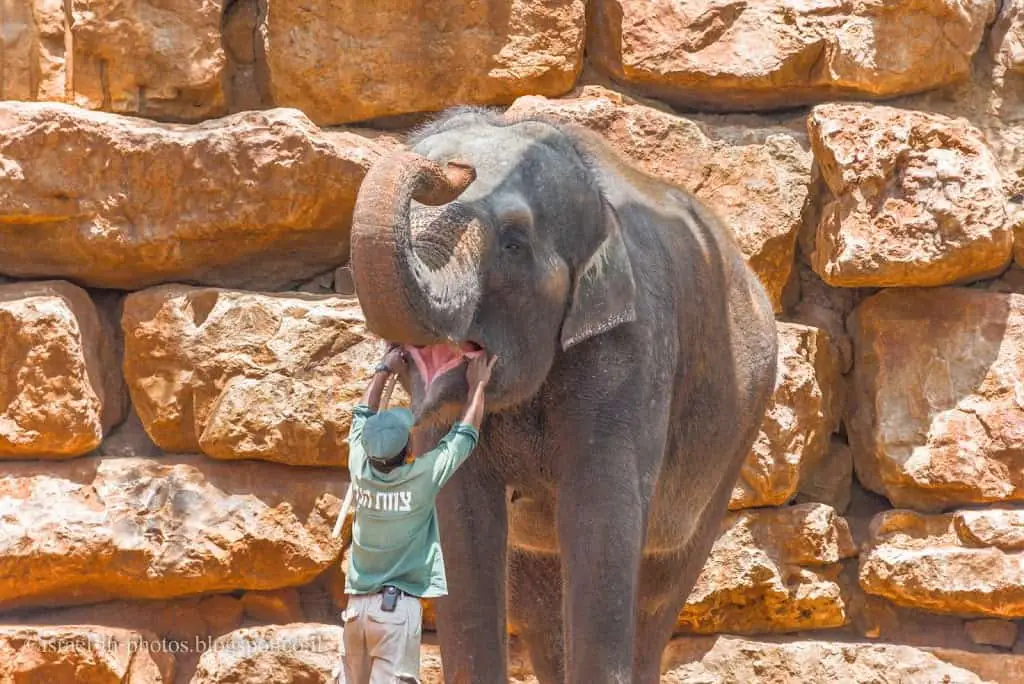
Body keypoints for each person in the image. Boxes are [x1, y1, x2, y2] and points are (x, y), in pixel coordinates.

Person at [341, 345, 496, 684]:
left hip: (355, 612)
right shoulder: (421, 479)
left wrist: (384, 369)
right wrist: (479, 385)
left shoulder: (359, 467)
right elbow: (465, 436)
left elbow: (360, 417)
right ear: (409, 450)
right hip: (394, 615)